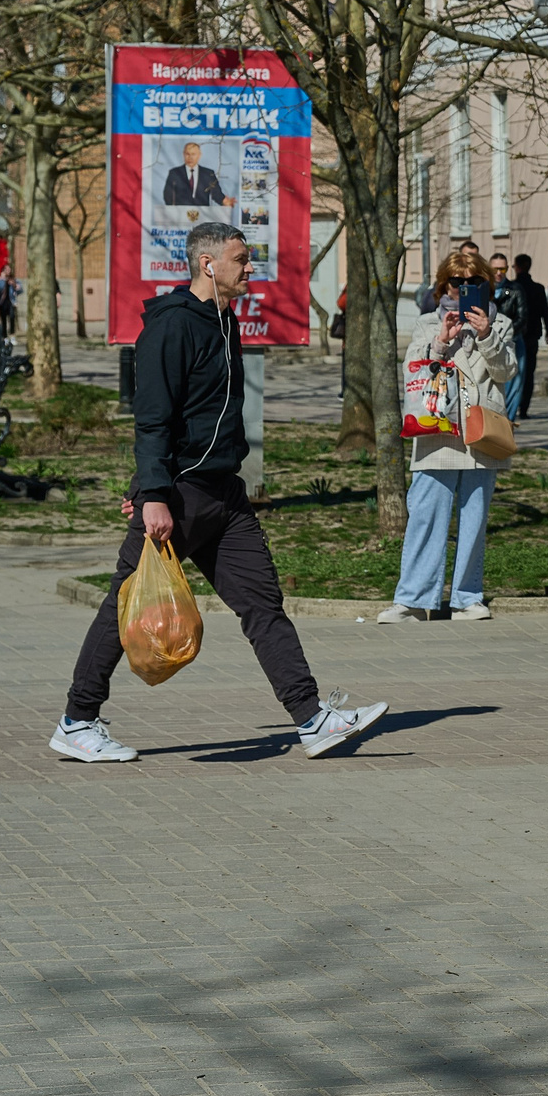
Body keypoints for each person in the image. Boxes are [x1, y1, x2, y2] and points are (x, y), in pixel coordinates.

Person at [49, 222, 388, 763]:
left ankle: (312, 719)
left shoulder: (225, 322)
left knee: (263, 604)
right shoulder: (172, 327)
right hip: (180, 498)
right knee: (126, 607)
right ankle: (77, 720)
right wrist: (153, 491)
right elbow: (154, 418)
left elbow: (207, 416)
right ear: (208, 264)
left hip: (225, 499)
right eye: (240, 259)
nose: (249, 267)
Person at [380, 248, 517, 623]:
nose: (465, 288)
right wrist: (441, 341)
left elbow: (506, 373)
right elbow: (414, 368)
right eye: (458, 282)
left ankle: (467, 598)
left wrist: (486, 336)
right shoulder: (427, 323)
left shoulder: (500, 323)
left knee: (474, 519)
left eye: (475, 282)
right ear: (445, 285)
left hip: (481, 434)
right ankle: (412, 599)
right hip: (437, 430)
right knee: (425, 514)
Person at [497, 254, 548, 420]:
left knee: (512, 372)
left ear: (516, 267)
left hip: (516, 335)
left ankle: (511, 406)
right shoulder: (537, 288)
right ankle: (524, 408)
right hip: (531, 335)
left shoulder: (515, 288)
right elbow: (545, 312)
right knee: (527, 373)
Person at [160, 142, 233, 210]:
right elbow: (168, 195)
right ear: (183, 155)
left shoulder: (208, 174)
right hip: (180, 216)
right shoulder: (175, 173)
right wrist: (172, 211)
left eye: (193, 154)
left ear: (199, 155)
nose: (190, 157)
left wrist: (225, 202)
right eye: (187, 154)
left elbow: (216, 194)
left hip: (203, 215)